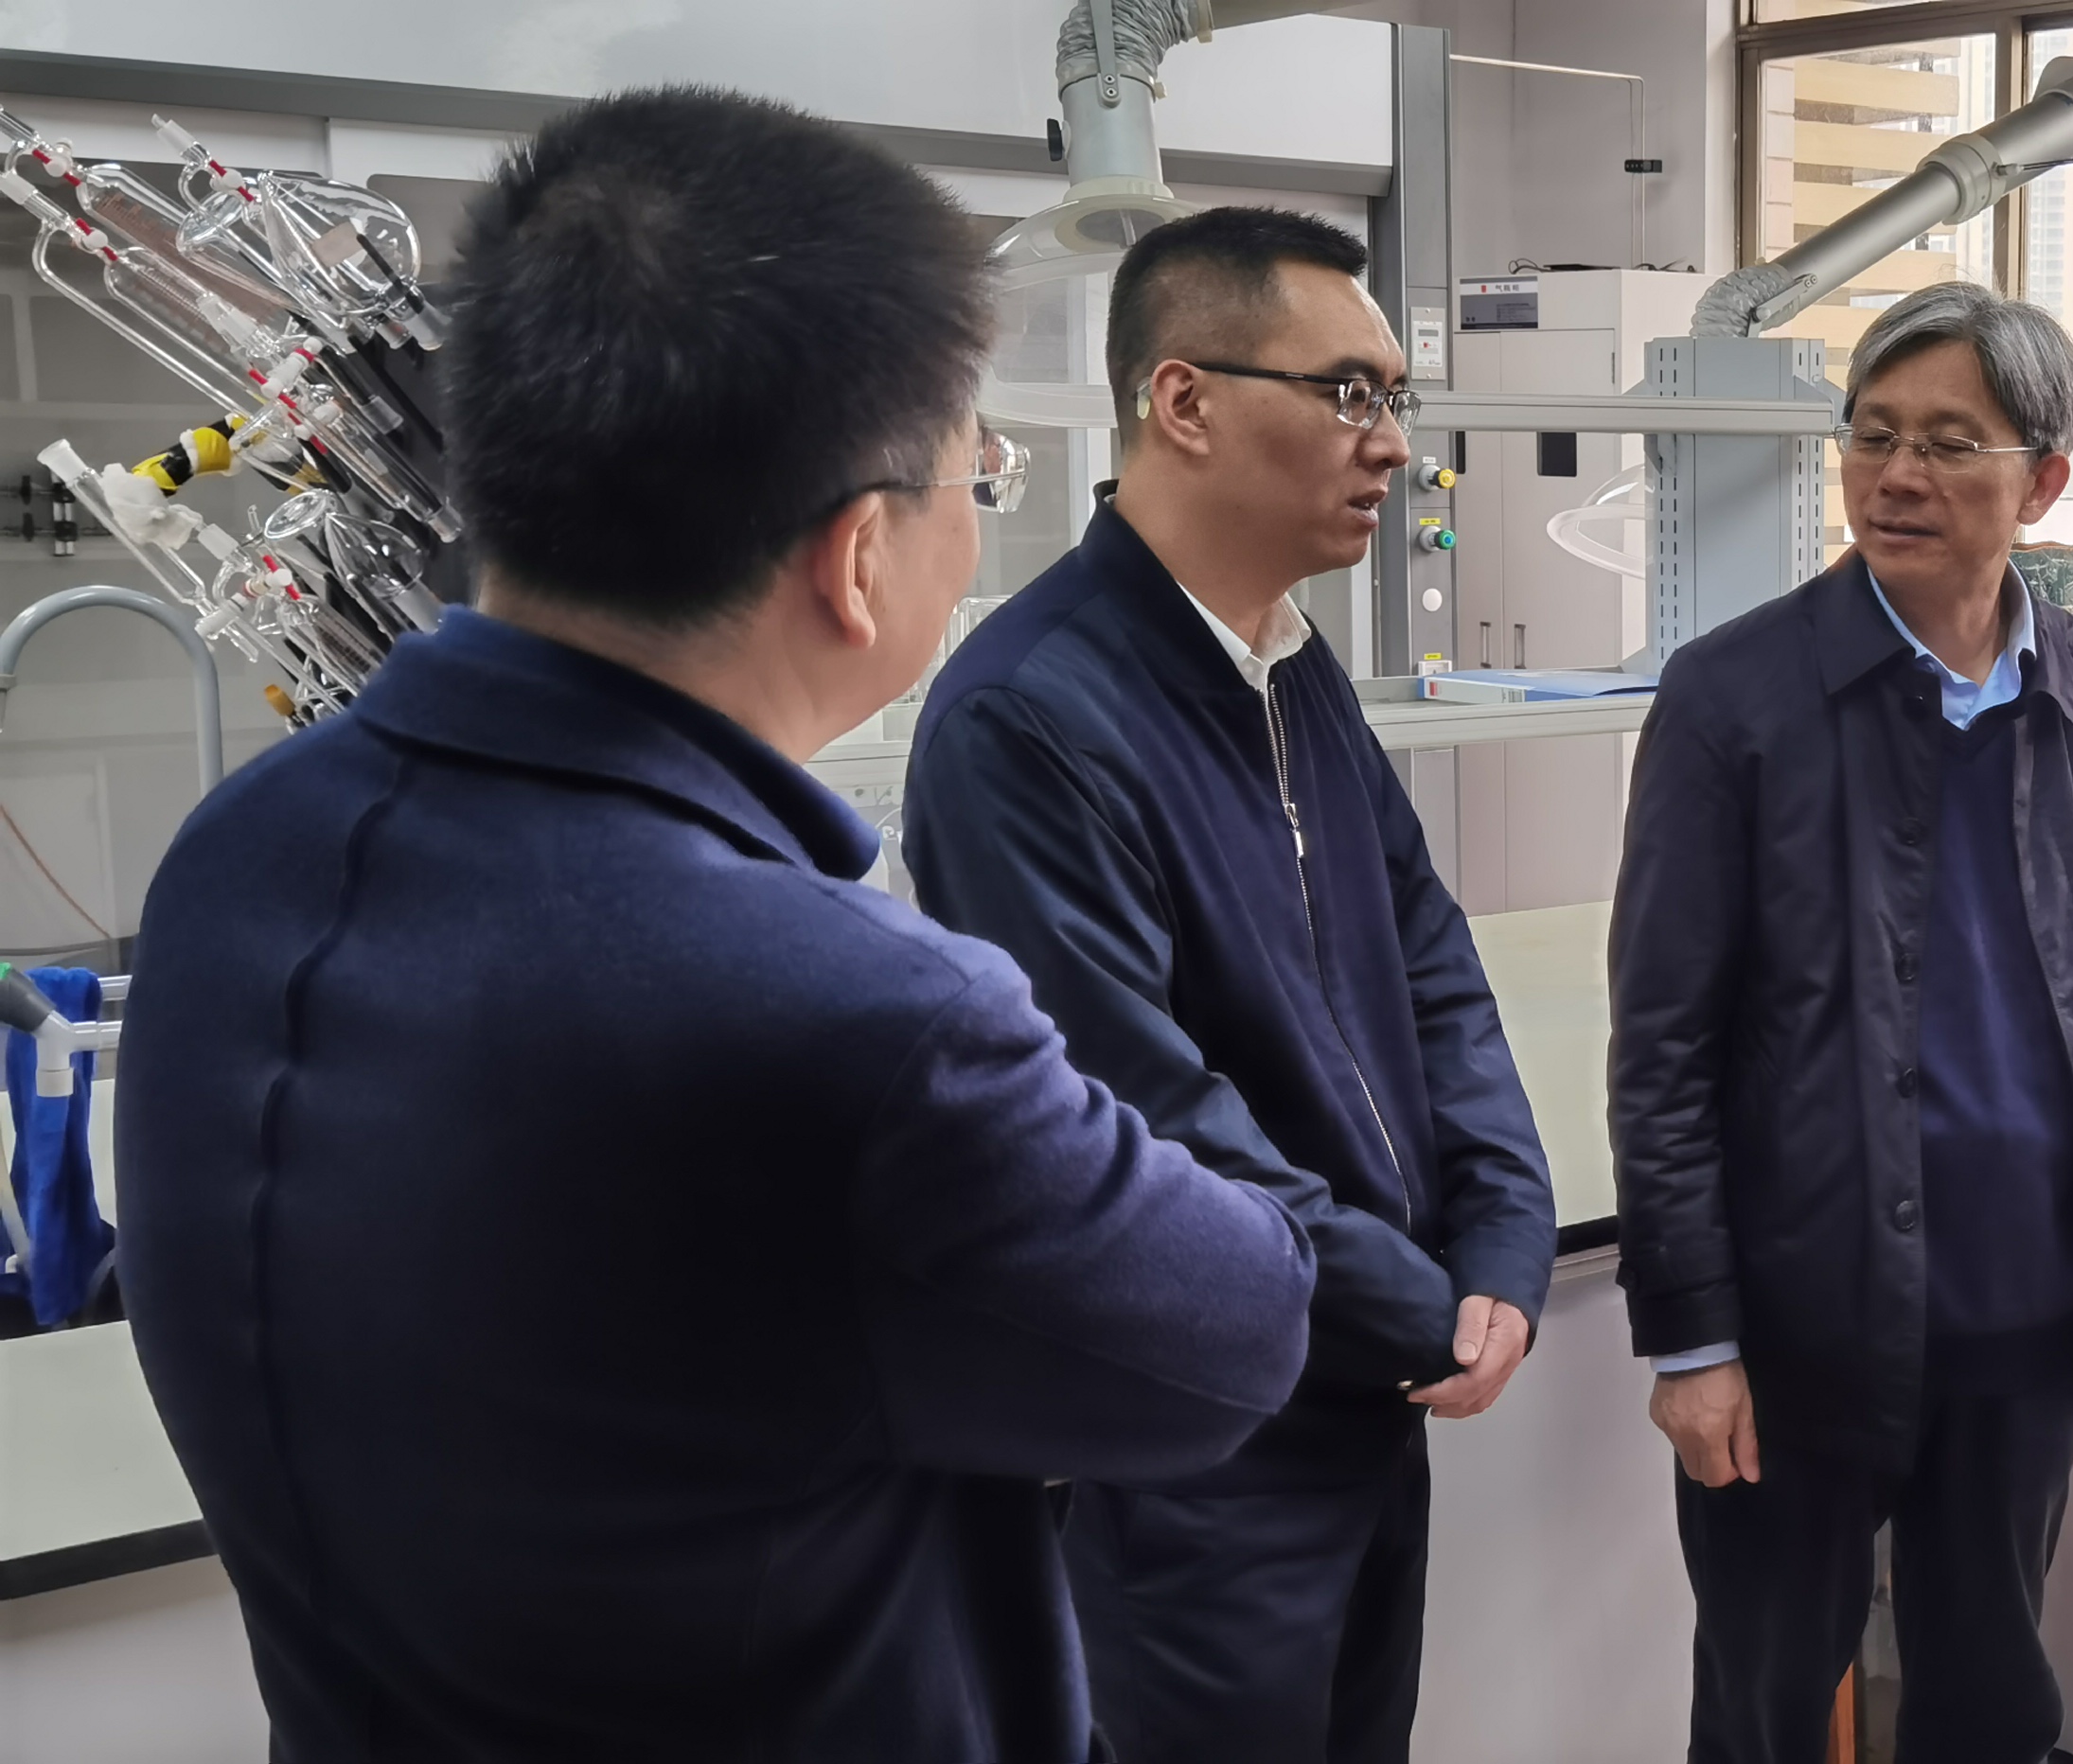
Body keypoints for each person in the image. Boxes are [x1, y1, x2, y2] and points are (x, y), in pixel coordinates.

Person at [114, 88, 1318, 1763]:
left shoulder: (240, 857)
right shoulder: (841, 1015)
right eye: (980, 469)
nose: (983, 514)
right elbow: (1234, 1337)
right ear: (858, 556)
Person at [906, 204, 1555, 1764]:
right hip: (1193, 1438)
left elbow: (1430, 966)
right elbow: (1142, 1111)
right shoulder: (1029, 718)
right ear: (1184, 401)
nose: (1389, 442)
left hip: (1361, 1399)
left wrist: (1503, 1230)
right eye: (1349, 393)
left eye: (1395, 398)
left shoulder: (1291, 666)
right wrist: (1424, 1307)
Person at [1608, 281, 2073, 1764]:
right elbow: (1663, 1046)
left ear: (2042, 482)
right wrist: (1691, 1337)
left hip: (2026, 1316)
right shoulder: (1734, 698)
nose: (1897, 475)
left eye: (1948, 442)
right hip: (1800, 1322)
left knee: (1991, 1700)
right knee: (1764, 1702)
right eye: (1872, 436)